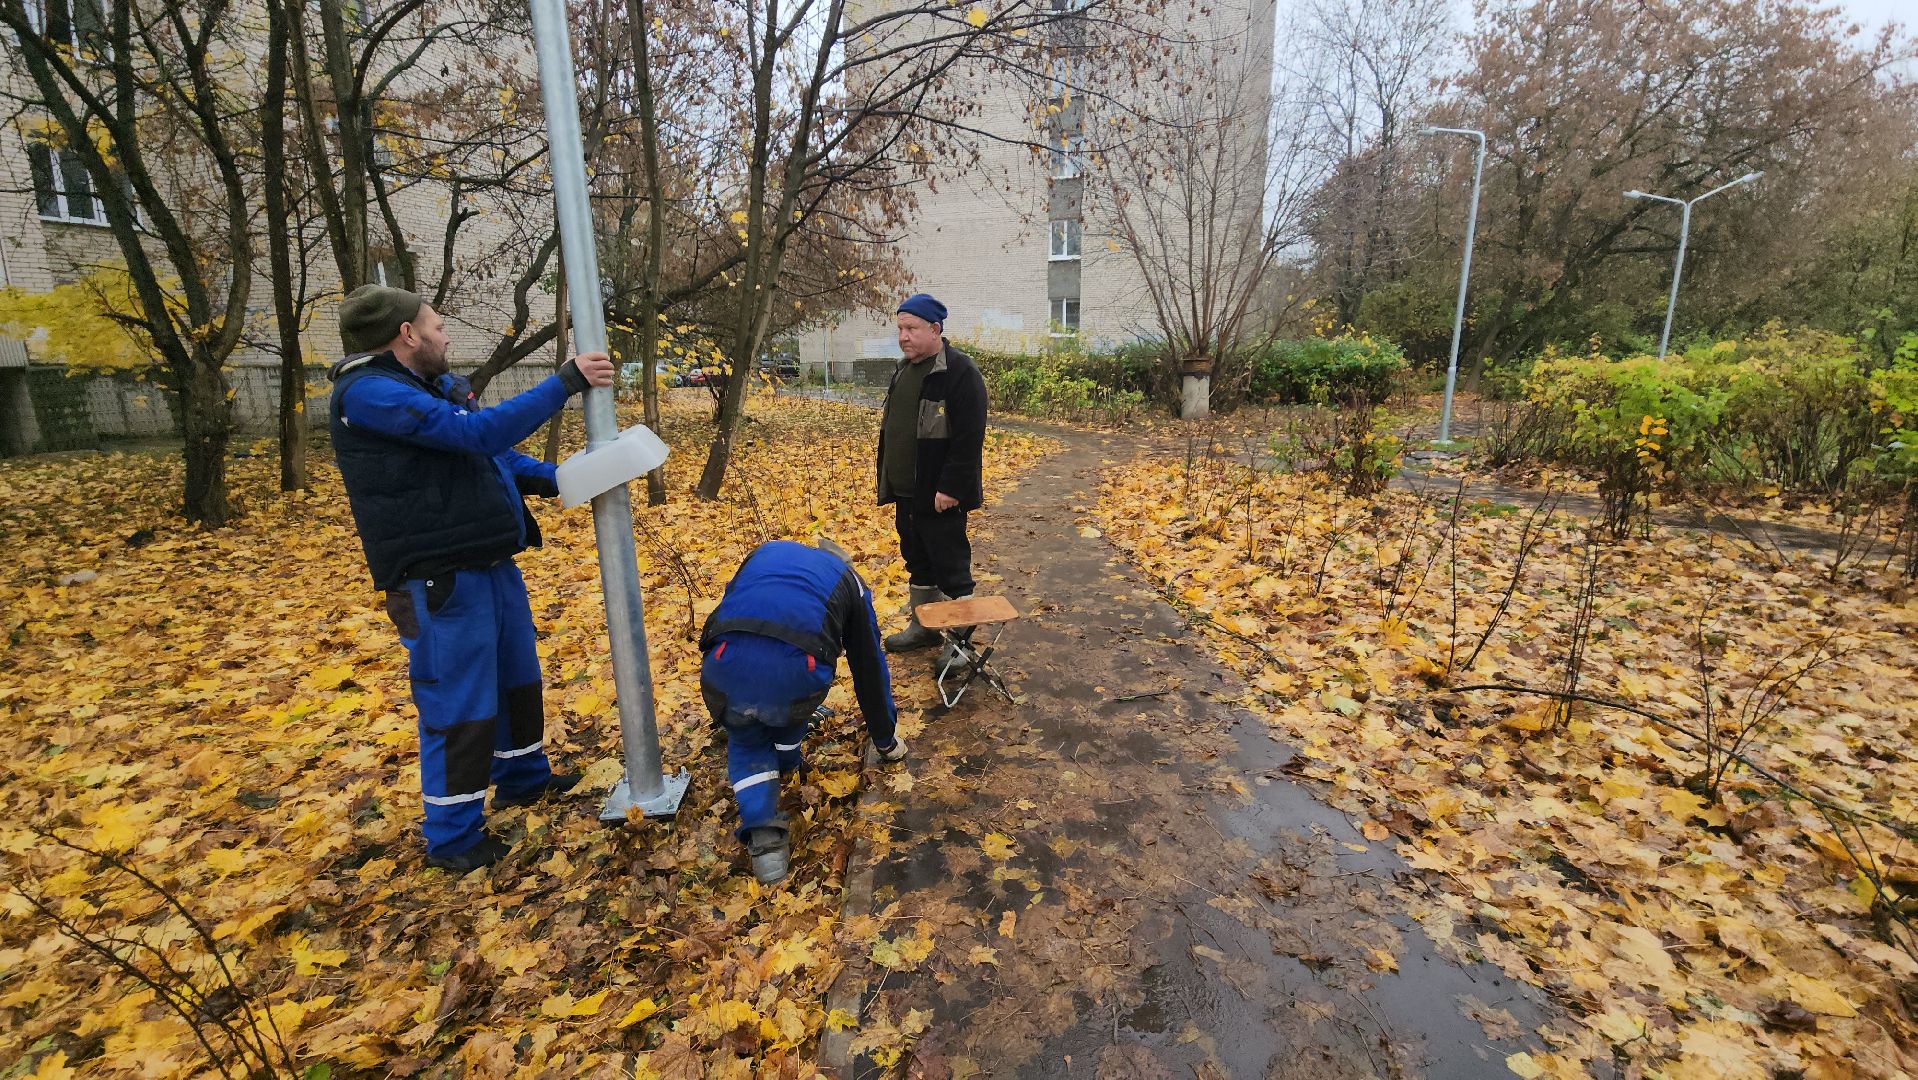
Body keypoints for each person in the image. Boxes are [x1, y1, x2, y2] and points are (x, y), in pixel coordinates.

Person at [326, 283, 614, 873]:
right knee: (458, 703)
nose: (445, 335)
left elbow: (494, 458)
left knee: (516, 678)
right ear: (407, 334)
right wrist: (565, 382)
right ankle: (454, 838)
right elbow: (478, 436)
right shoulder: (371, 393)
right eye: (435, 325)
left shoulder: (423, 389)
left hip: (487, 561)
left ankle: (524, 778)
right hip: (438, 579)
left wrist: (571, 477)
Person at [700, 538, 908, 883]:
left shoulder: (763, 552)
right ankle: (785, 759)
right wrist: (884, 739)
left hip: (724, 664)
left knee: (747, 740)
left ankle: (764, 840)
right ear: (844, 561)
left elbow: (729, 606)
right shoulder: (850, 581)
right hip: (796, 672)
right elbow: (869, 667)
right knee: (786, 698)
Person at [877, 293, 989, 653]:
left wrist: (952, 486)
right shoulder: (903, 371)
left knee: (951, 566)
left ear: (935, 328)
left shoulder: (959, 372)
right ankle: (924, 628)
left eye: (911, 328)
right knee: (918, 560)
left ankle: (959, 645)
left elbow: (970, 438)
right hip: (907, 491)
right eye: (900, 328)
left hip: (940, 495)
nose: (903, 336)